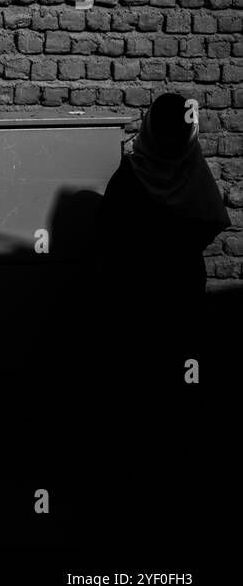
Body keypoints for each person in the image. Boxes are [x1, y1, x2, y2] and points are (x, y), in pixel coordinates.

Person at [95, 92, 229, 391]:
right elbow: (214, 219)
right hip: (181, 287)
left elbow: (106, 232)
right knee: (177, 368)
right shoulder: (194, 171)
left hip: (134, 293)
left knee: (140, 371)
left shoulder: (132, 174)